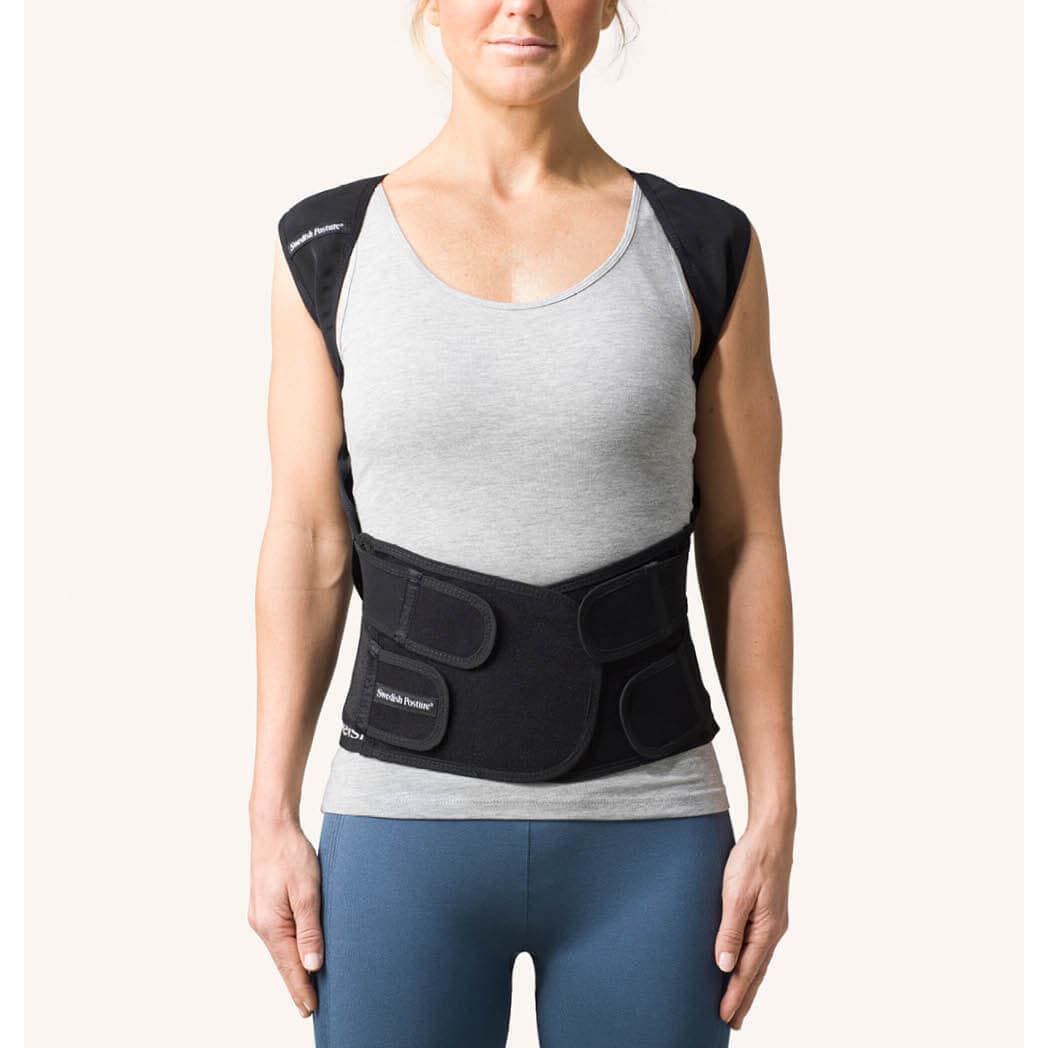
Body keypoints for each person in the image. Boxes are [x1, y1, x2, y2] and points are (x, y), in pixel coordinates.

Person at [248, 2, 796, 1045]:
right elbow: (309, 540)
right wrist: (267, 812)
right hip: (400, 835)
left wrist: (775, 812)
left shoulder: (703, 244)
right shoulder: (327, 244)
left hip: (651, 838)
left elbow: (745, 543)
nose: (524, 6)